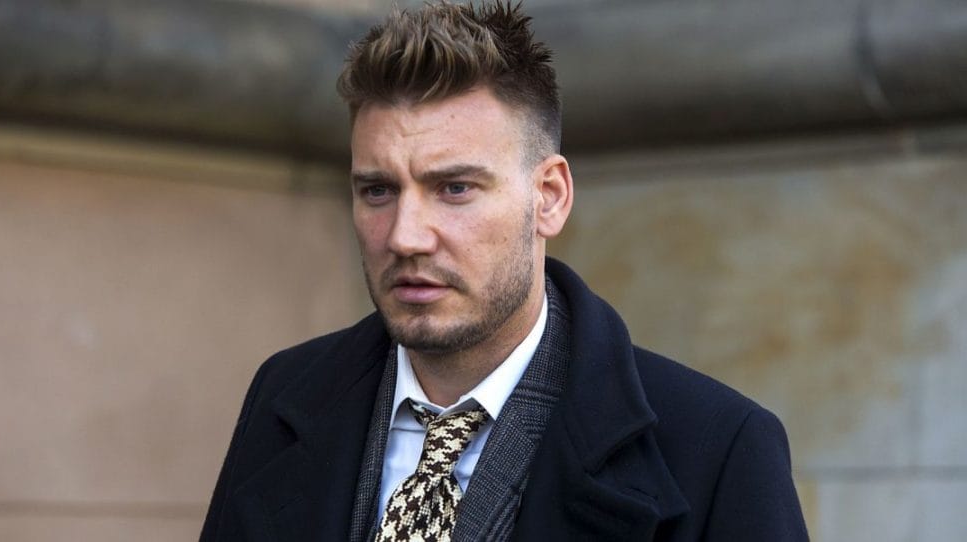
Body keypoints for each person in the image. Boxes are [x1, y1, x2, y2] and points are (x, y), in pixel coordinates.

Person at [200, 2, 808, 541]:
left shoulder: (717, 449)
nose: (405, 236)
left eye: (455, 188)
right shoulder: (285, 395)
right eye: (378, 190)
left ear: (549, 197)